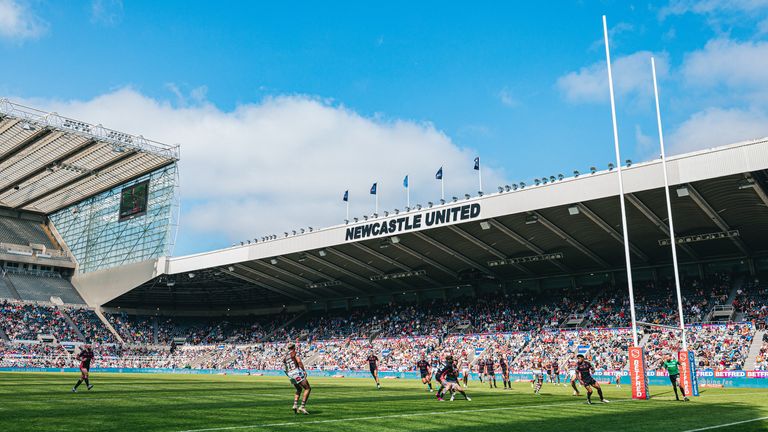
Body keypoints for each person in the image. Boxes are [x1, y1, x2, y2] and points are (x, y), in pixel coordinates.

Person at [283, 343, 311, 414]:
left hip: (290, 374)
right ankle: (302, 406)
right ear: (294, 347)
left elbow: (284, 369)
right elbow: (299, 362)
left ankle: (295, 405)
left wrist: (289, 375)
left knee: (299, 389)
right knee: (307, 388)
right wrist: (303, 370)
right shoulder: (294, 353)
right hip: (296, 372)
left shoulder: (285, 357)